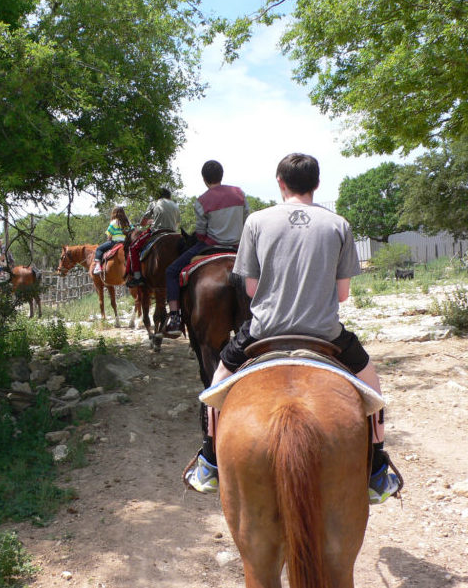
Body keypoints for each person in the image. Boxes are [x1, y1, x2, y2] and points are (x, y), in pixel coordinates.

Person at [185, 153, 403, 505]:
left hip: (263, 331)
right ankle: (377, 468)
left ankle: (209, 461)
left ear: (280, 184)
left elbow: (252, 290)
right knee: (371, 384)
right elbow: (343, 295)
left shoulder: (256, 222)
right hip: (325, 333)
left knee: (217, 384)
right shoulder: (339, 225)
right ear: (317, 184)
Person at [164, 160, 248, 334]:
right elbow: (246, 219)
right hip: (238, 247)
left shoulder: (201, 201)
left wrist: (204, 237)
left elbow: (201, 232)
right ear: (221, 175)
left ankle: (175, 318)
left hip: (211, 245)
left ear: (204, 179)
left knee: (171, 272)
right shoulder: (239, 194)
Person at [126, 188, 181, 287]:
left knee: (133, 248)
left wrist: (150, 221)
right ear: (169, 196)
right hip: (173, 232)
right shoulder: (175, 205)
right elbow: (177, 222)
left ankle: (137, 277)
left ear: (158, 196)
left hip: (157, 231)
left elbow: (142, 223)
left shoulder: (155, 203)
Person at [92, 206, 131, 274]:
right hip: (126, 242)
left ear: (114, 213)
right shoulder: (128, 222)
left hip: (115, 242)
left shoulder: (114, 222)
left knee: (99, 249)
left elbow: (109, 234)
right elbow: (131, 231)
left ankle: (98, 267)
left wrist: (109, 239)